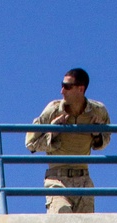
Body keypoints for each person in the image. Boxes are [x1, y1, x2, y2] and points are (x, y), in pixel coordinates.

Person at [27, 68, 111, 213]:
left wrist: (97, 134)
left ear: (80, 89)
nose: (62, 91)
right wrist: (52, 132)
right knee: (62, 217)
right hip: (57, 179)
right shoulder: (53, 110)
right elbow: (30, 144)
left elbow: (105, 140)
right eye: (62, 85)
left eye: (67, 86)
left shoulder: (98, 111)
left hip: (83, 180)